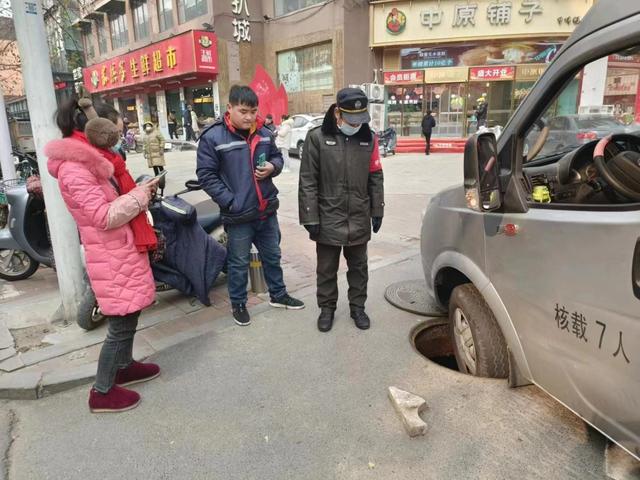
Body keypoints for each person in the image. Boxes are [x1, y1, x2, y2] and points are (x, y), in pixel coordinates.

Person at [44, 97, 160, 413]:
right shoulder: (74, 168)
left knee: (131, 312)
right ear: (92, 128)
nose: (116, 136)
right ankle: (102, 391)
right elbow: (103, 216)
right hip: (110, 255)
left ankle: (124, 366)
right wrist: (139, 196)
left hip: (120, 251)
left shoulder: (97, 160)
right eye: (112, 131)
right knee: (120, 323)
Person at [196, 85, 304, 326]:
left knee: (273, 256)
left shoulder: (264, 132)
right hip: (238, 215)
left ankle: (279, 294)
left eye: (253, 111)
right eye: (243, 111)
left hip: (266, 210)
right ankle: (239, 303)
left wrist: (273, 167)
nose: (248, 117)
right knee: (238, 262)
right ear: (229, 108)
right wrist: (230, 201)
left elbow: (276, 157)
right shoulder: (213, 137)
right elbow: (206, 175)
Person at [298, 87, 384, 333]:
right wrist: (310, 216)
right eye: (350, 119)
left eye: (360, 120)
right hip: (328, 216)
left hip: (358, 214)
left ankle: (358, 307)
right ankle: (327, 309)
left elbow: (376, 176)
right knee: (326, 268)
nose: (356, 125)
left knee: (359, 267)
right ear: (337, 113)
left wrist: (377, 209)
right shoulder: (317, 138)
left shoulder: (369, 139)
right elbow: (307, 180)